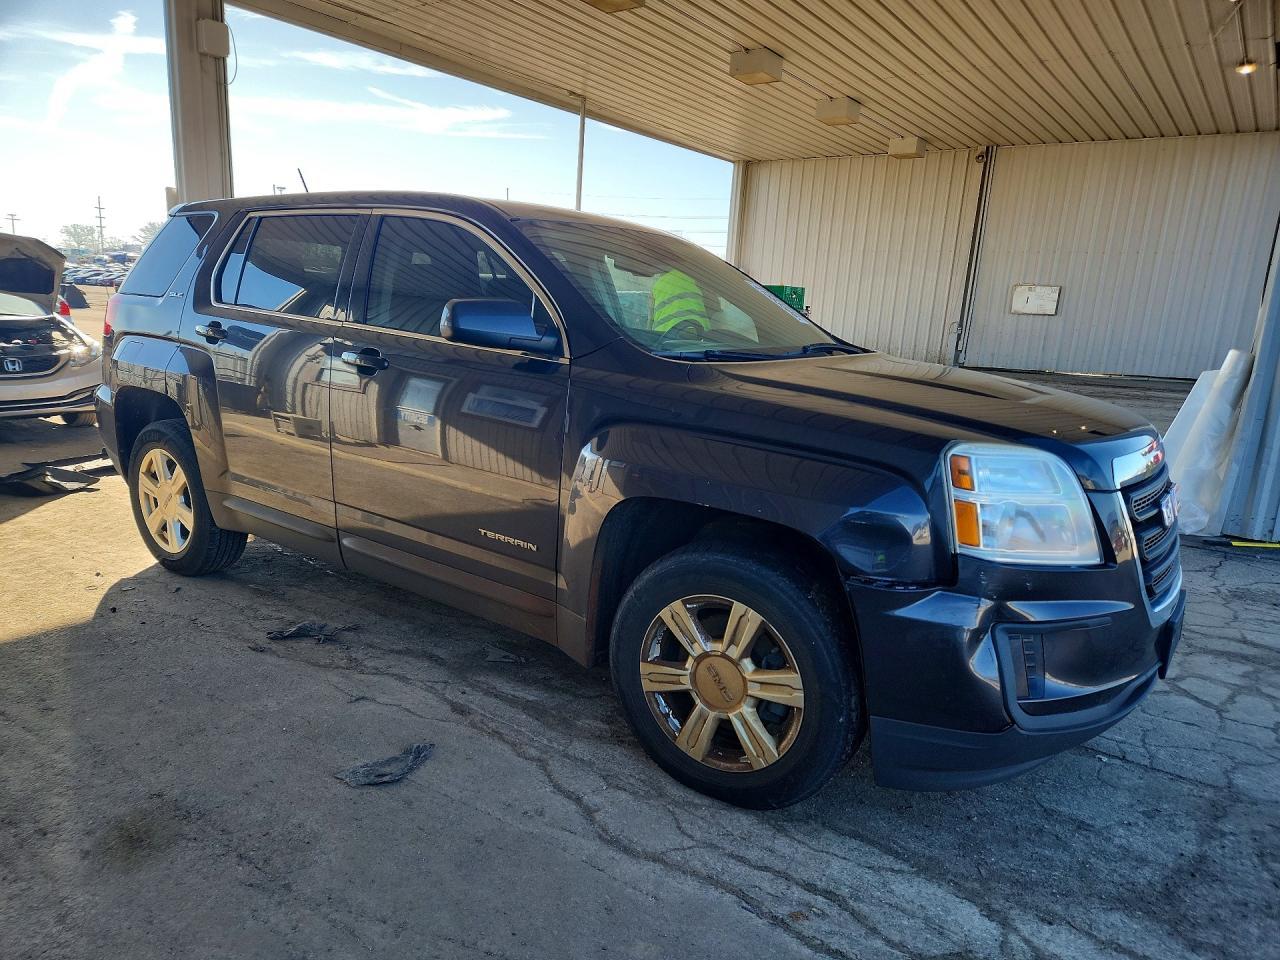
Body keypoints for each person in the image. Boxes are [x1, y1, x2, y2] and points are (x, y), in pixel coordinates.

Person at [650, 268, 710, 339]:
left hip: (663, 337)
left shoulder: (656, 286)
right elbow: (714, 307)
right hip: (702, 337)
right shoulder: (696, 280)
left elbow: (650, 319)